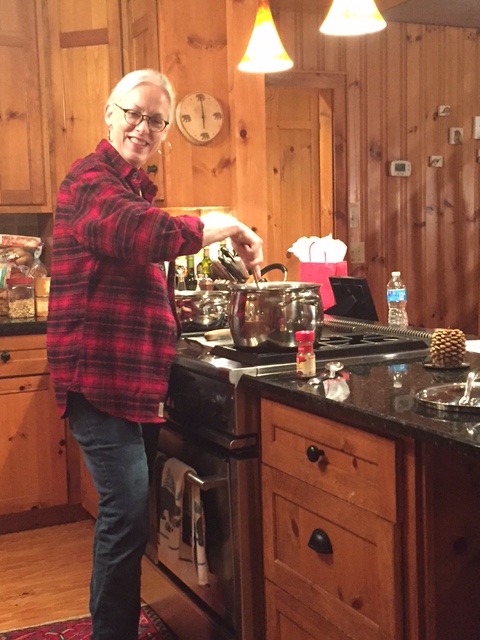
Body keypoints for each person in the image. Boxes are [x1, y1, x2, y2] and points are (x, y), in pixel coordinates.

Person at [46, 69, 263, 640]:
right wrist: (227, 223)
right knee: (122, 517)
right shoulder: (89, 182)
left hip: (136, 381)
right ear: (109, 114)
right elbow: (141, 234)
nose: (143, 127)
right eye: (134, 114)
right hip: (100, 379)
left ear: (165, 132)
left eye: (156, 120)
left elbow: (136, 265)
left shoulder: (135, 187)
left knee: (129, 515)